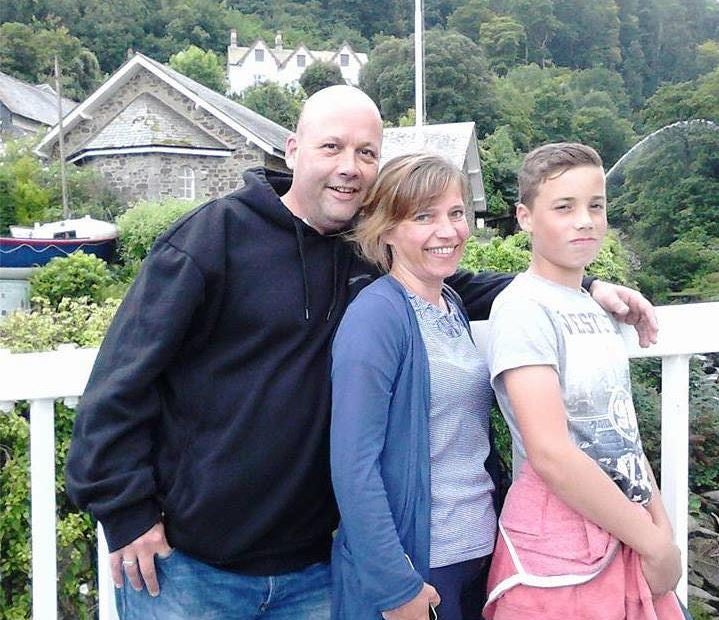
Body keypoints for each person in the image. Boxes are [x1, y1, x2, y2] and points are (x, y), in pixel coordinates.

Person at [65, 84, 658, 619]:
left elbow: (453, 278)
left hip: (314, 565)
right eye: (332, 147)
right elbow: (120, 380)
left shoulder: (363, 253)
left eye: (367, 153)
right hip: (193, 564)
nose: (349, 167)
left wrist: (584, 286)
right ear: (293, 150)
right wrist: (125, 510)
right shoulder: (210, 239)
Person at [483, 143, 685, 619]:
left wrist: (662, 531)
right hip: (558, 558)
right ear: (525, 217)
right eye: (564, 207)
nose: (585, 220)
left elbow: (622, 436)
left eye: (596, 206)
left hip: (621, 536)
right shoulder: (523, 309)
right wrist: (654, 545)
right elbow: (550, 454)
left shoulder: (594, 306)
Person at [330, 153, 498, 620]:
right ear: (386, 230)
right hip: (420, 566)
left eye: (456, 213)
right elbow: (353, 464)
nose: (448, 231)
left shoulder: (451, 303)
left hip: (478, 553)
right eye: (424, 217)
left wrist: (591, 286)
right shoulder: (376, 316)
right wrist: (394, 585)